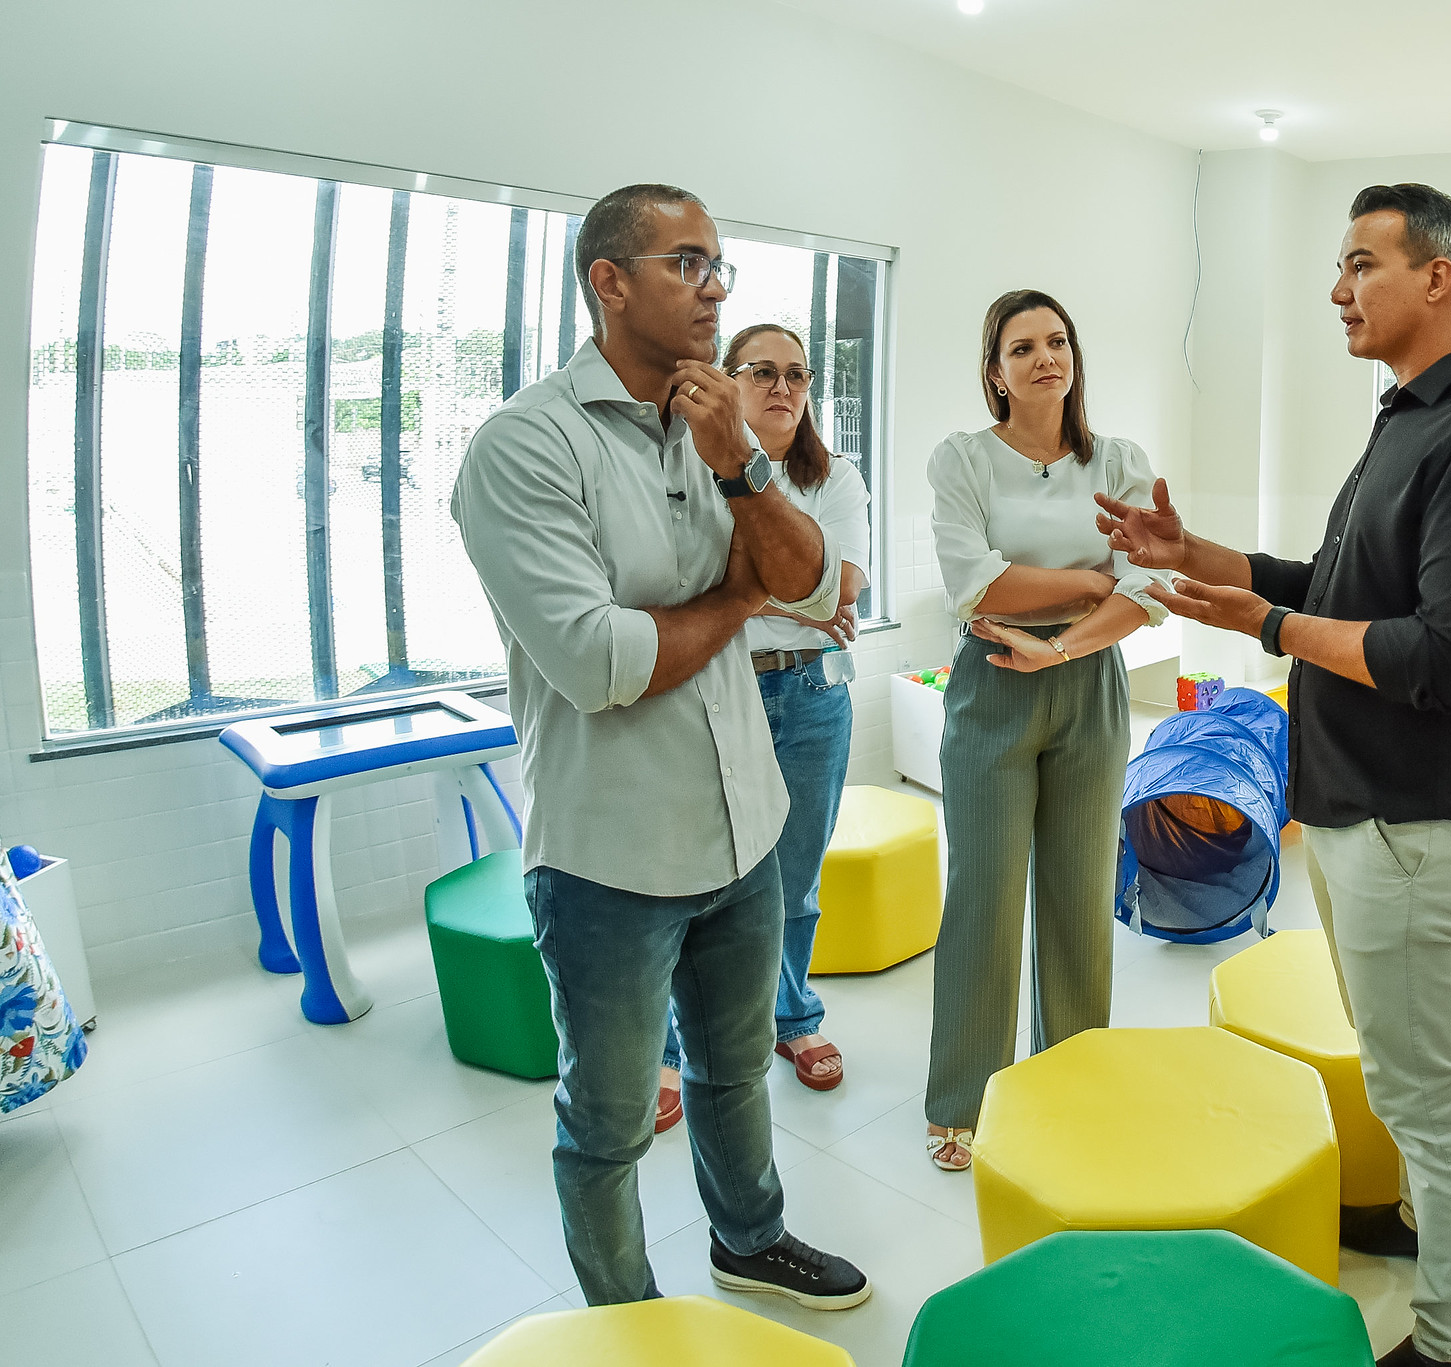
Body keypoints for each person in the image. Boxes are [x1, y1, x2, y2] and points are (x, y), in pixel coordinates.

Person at [1098, 184, 1451, 1367]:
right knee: (1400, 1067)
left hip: (1412, 819)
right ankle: (1412, 1217)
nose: (1336, 290)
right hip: (1355, 805)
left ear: (1437, 278)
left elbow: (1442, 658)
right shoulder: (1406, 415)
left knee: (1430, 1093)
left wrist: (1262, 625)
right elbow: (1337, 585)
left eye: (1360, 264)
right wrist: (1198, 556)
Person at [450, 183, 869, 1311]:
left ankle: (750, 1240)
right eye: (687, 263)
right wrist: (737, 602)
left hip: (743, 827)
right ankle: (625, 1322)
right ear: (609, 282)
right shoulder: (525, 445)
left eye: (718, 265)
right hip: (611, 857)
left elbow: (815, 586)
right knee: (608, 1120)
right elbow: (598, 659)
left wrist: (739, 462)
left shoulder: (715, 425)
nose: (714, 288)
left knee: (733, 1072)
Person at [921, 289, 1169, 1171]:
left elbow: (1152, 588)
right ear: (995, 372)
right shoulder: (963, 460)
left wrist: (1065, 640)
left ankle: (1075, 1075)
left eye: (1056, 341)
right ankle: (963, 1099)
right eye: (1021, 347)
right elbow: (976, 584)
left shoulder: (1120, 462)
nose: (1044, 358)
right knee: (984, 896)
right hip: (992, 681)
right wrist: (1096, 582)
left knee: (1079, 894)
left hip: (1087, 679)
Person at [653, 323, 870, 1128]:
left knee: (795, 878)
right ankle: (669, 1048)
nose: (784, 387)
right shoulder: (685, 468)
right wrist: (796, 596)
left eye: (798, 375)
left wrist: (750, 594)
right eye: (763, 371)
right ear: (727, 380)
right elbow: (681, 587)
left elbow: (842, 588)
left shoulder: (833, 478)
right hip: (716, 688)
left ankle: (793, 1017)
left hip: (813, 695)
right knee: (690, 878)